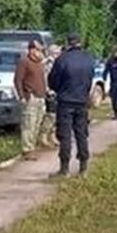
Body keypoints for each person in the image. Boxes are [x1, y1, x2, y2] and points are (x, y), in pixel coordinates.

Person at [48, 33, 95, 177]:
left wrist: (60, 90)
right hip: (82, 100)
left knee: (65, 135)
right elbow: (90, 78)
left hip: (65, 101)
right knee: (82, 133)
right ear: (80, 43)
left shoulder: (62, 59)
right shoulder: (88, 59)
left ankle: (64, 168)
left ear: (68, 43)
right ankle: (83, 167)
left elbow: (53, 81)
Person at [14, 39, 49, 160]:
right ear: (32, 50)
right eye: (38, 50)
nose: (40, 52)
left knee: (37, 123)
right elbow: (18, 80)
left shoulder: (40, 63)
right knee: (28, 123)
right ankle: (27, 149)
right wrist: (22, 96)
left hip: (41, 97)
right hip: (30, 97)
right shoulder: (24, 62)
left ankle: (32, 146)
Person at [38, 44, 62, 149]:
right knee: (50, 115)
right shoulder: (47, 63)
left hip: (58, 92)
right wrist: (48, 91)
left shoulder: (59, 63)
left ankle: (52, 135)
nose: (59, 54)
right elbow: (44, 78)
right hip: (50, 93)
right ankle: (43, 136)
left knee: (56, 116)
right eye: (57, 52)